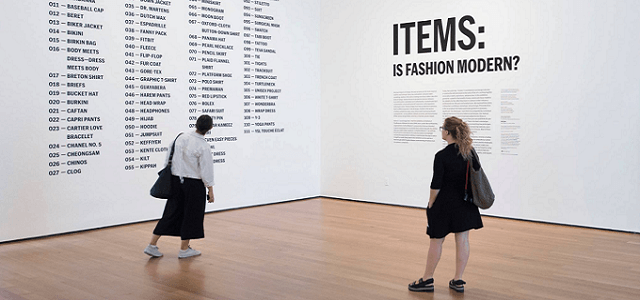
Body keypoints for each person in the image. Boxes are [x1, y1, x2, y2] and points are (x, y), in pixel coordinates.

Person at [408, 116, 483, 293]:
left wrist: (430, 203)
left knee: (436, 241)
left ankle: (427, 280)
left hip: (444, 205)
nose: (441, 130)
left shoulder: (441, 156)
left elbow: (436, 184)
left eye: (442, 128)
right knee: (463, 240)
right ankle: (458, 280)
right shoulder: (469, 152)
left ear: (448, 132)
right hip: (465, 203)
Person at [144, 115, 215, 259]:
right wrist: (210, 189)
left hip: (176, 181)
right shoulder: (203, 146)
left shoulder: (180, 138)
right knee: (191, 216)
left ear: (196, 124)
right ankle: (184, 249)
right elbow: (206, 170)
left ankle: (151, 245)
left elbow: (168, 158)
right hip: (194, 185)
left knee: (170, 213)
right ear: (210, 128)